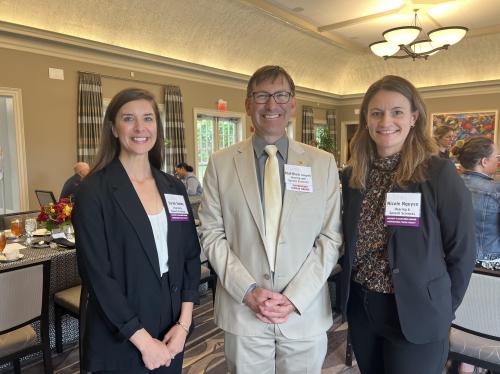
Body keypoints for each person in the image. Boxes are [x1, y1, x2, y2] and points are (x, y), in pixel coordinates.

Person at [198, 65, 343, 374]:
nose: (271, 104)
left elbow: (330, 238)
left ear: (293, 104)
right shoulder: (220, 163)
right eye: (262, 95)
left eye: (280, 95)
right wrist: (248, 291)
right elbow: (211, 233)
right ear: (248, 104)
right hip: (243, 310)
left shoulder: (323, 163)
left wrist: (294, 297)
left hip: (304, 311)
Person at [341, 75, 476, 374]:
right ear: (366, 119)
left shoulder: (437, 173)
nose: (385, 121)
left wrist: (442, 307)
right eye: (376, 112)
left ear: (414, 118)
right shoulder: (353, 176)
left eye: (397, 112)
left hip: (418, 310)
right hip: (363, 308)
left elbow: (463, 250)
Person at [73, 88, 201, 373]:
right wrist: (143, 342)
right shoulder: (94, 191)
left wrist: (183, 324)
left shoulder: (173, 187)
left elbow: (191, 256)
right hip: (120, 329)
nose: (140, 128)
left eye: (148, 118)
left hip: (172, 325)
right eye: (129, 118)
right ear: (113, 129)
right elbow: (97, 276)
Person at [456, 136, 499, 261]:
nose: (498, 161)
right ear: (484, 161)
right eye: (497, 157)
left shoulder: (447, 185)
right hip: (488, 261)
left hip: (453, 259)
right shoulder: (495, 190)